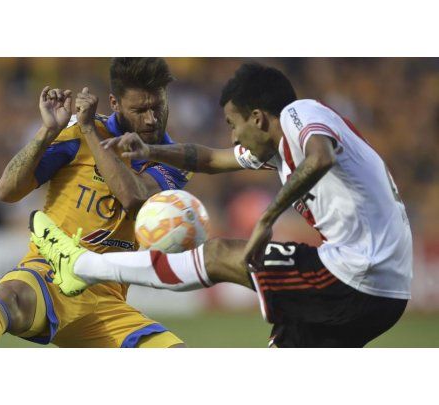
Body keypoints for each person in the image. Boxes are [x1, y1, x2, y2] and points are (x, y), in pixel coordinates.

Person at [29, 62, 413, 347]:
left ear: (257, 118)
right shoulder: (277, 150)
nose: (233, 137)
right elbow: (210, 159)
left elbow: (320, 158)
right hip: (382, 293)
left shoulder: (301, 113)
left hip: (358, 271)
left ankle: (80, 266)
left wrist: (267, 217)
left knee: (218, 255)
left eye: (233, 124)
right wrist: (150, 150)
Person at [0, 58, 191, 348]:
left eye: (158, 107)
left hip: (107, 299)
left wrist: (89, 131)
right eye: (139, 110)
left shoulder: (174, 157)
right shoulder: (76, 135)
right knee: (13, 297)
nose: (151, 119)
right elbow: (7, 191)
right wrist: (48, 131)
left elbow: (133, 197)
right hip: (49, 273)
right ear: (115, 103)